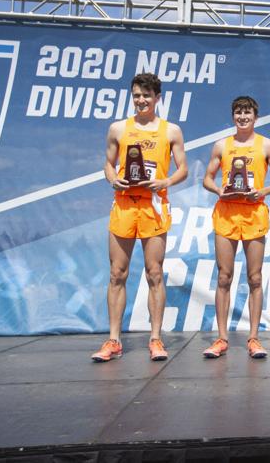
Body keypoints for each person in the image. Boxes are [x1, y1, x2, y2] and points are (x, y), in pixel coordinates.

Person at [92, 73, 188, 362]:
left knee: (154, 273)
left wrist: (166, 181)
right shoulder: (118, 128)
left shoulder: (171, 131)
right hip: (124, 205)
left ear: (157, 98)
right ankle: (113, 340)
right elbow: (108, 164)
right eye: (136, 95)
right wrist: (113, 179)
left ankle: (155, 339)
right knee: (117, 273)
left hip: (153, 206)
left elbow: (183, 169)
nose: (141, 100)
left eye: (146, 95)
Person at [201, 96, 270, 359]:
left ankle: (254, 338)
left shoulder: (266, 145)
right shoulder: (222, 145)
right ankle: (222, 338)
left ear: (255, 117)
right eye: (238, 112)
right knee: (224, 277)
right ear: (233, 116)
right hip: (226, 213)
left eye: (247, 113)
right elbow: (207, 178)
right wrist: (219, 190)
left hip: (254, 213)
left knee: (255, 278)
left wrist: (263, 191)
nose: (243, 117)